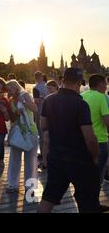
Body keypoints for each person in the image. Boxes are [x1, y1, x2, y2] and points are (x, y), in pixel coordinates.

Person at [38, 68, 105, 213]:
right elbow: (90, 138)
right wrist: (95, 156)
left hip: (56, 157)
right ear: (80, 83)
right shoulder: (80, 104)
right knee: (87, 200)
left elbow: (43, 125)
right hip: (79, 159)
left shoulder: (49, 100)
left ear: (63, 80)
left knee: (49, 197)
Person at [6, 80, 38, 193]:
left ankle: (30, 187)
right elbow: (12, 118)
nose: (8, 92)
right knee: (14, 159)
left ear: (16, 88)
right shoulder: (10, 100)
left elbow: (35, 109)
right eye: (7, 90)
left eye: (10, 89)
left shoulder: (24, 95)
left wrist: (24, 102)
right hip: (17, 132)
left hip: (30, 131)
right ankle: (12, 184)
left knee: (30, 160)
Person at [81, 74, 109, 184]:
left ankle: (85, 198)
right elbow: (107, 120)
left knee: (86, 172)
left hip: (83, 140)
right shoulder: (101, 97)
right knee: (98, 174)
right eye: (105, 84)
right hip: (100, 141)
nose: (106, 86)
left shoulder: (82, 96)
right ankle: (93, 200)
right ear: (100, 84)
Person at [33, 71, 48, 163]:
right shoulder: (49, 86)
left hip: (40, 112)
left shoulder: (36, 88)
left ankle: (43, 154)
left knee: (41, 134)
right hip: (51, 113)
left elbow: (37, 102)